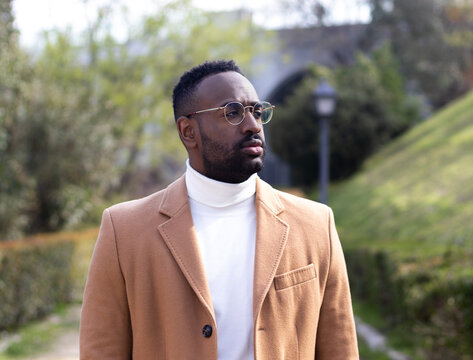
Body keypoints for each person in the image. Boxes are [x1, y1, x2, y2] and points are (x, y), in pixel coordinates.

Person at [80, 60, 359, 360]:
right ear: (188, 132)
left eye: (257, 111)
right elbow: (101, 351)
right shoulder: (124, 231)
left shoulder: (316, 225)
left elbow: (340, 350)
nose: (252, 125)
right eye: (233, 112)